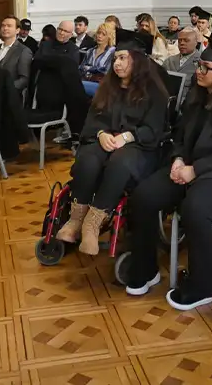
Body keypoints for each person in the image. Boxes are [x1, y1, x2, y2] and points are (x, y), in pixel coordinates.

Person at [124, 29, 212, 311]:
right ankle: (145, 268)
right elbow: (181, 135)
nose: (198, 71)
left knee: (195, 207)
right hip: (190, 166)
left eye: (205, 67)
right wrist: (177, 159)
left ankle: (203, 284)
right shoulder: (197, 95)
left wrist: (194, 169)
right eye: (199, 65)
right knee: (144, 196)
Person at [56, 29, 169, 255]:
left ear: (137, 61)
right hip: (106, 139)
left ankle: (93, 223)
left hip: (138, 146)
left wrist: (127, 137)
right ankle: (77, 219)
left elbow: (154, 129)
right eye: (116, 58)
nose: (116, 63)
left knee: (120, 162)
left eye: (122, 58)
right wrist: (100, 134)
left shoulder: (154, 91)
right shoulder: (108, 87)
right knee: (88, 159)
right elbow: (93, 120)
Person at [163, 28, 202, 100]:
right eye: (180, 40)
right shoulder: (168, 61)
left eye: (186, 40)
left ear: (196, 42)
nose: (182, 43)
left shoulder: (202, 63)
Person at [79, 22, 116, 96]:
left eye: (103, 34)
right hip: (86, 81)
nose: (99, 36)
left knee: (77, 86)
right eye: (99, 33)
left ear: (109, 36)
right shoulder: (90, 51)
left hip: (103, 85)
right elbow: (81, 68)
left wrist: (89, 68)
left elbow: (106, 71)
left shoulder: (113, 52)